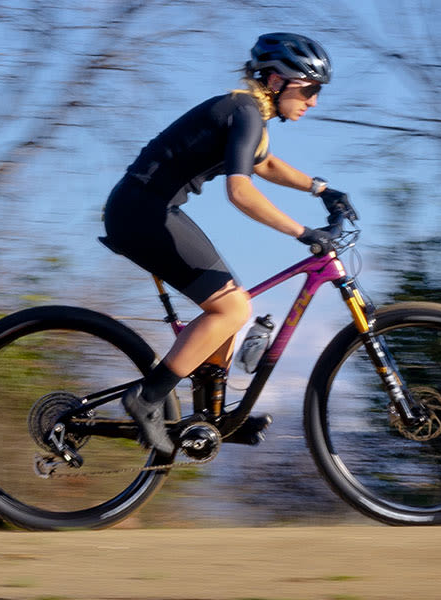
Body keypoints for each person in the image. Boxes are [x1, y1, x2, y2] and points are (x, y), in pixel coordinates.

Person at [100, 32, 351, 455]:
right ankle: (146, 399)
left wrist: (321, 189)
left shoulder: (248, 110)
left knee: (229, 308)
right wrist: (304, 232)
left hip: (144, 209)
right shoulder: (245, 111)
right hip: (142, 212)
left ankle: (211, 419)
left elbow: (263, 162)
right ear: (277, 81)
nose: (313, 101)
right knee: (233, 307)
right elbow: (240, 190)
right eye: (309, 89)